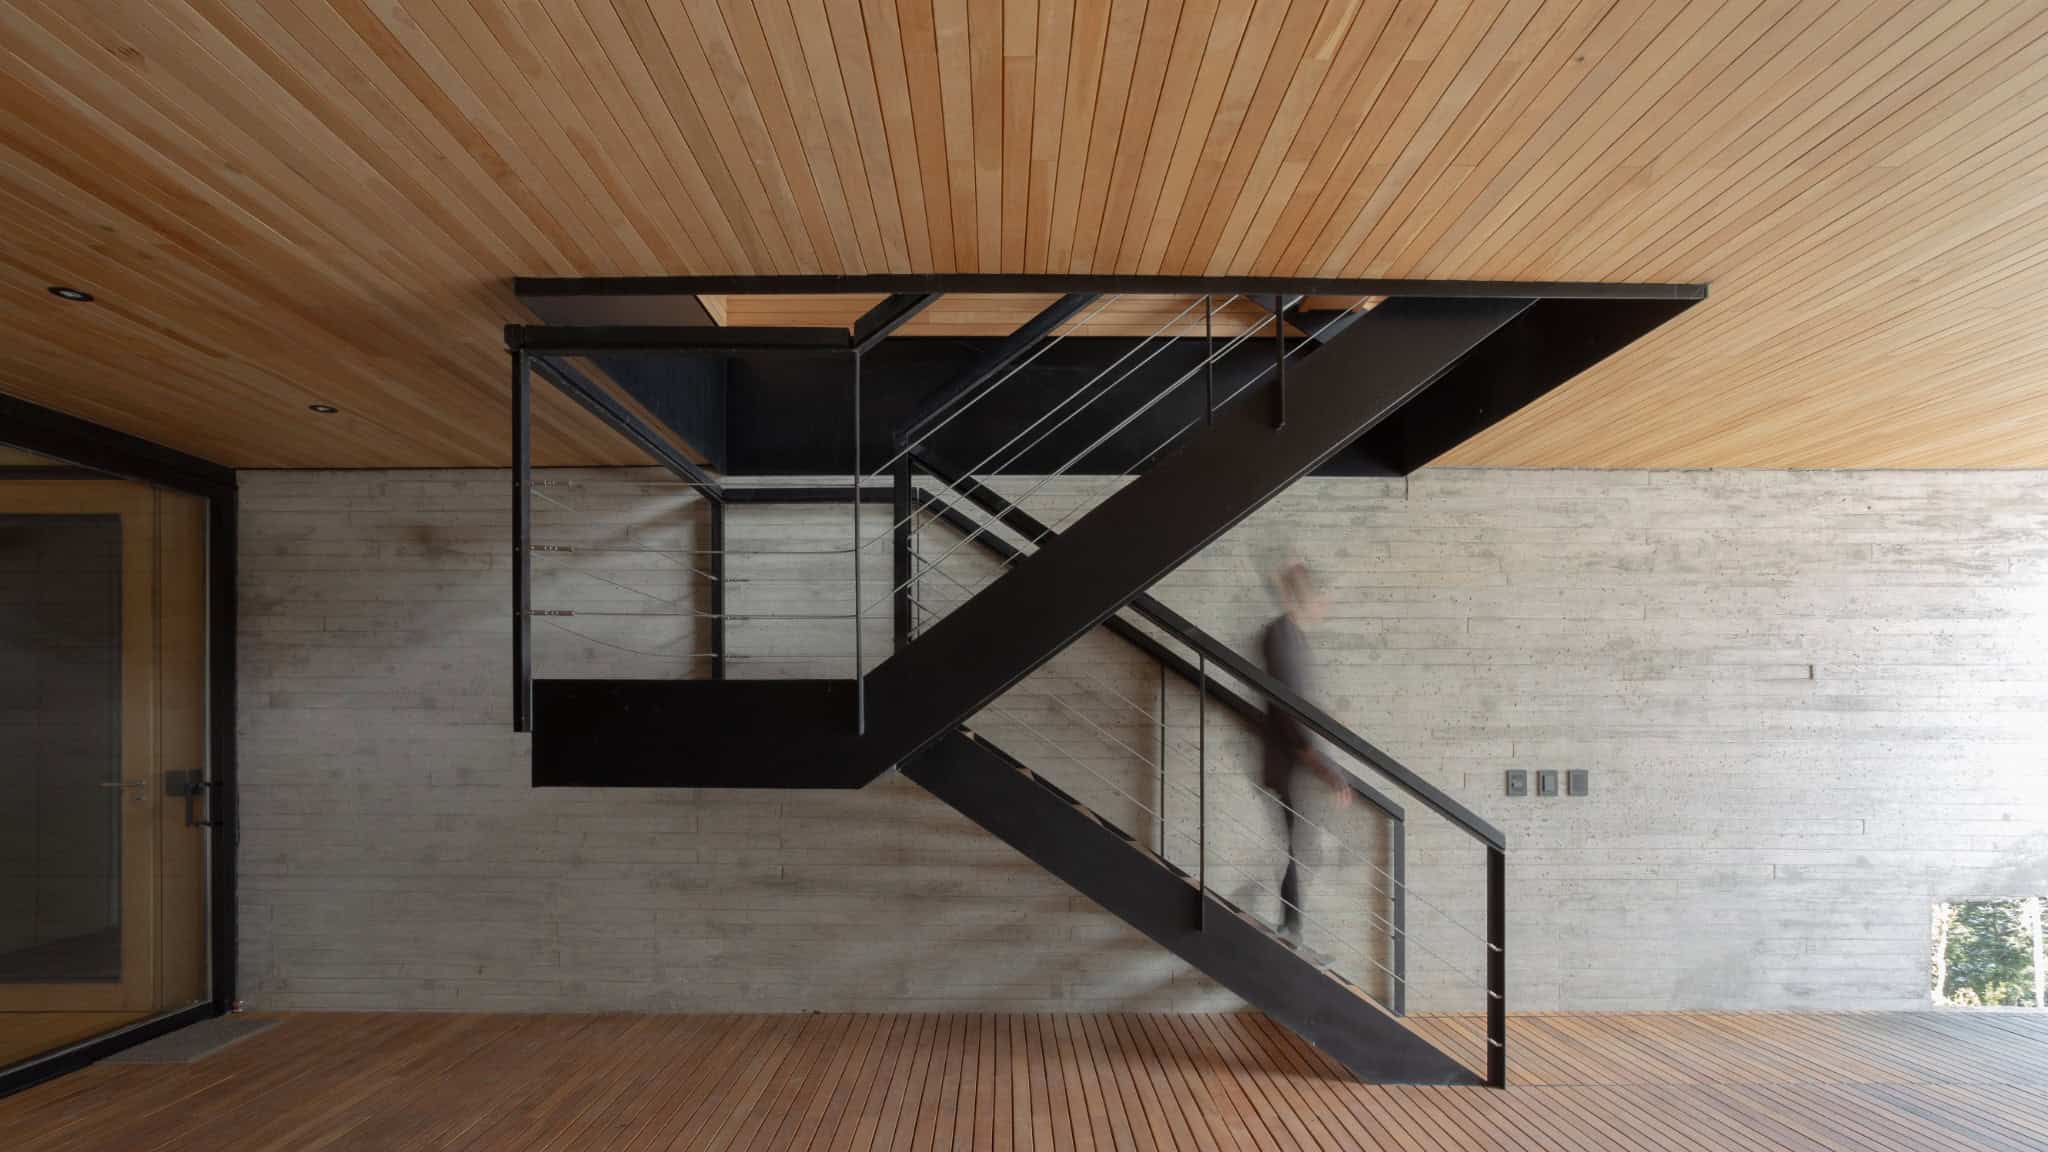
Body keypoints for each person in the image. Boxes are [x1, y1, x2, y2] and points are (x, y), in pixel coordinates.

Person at [1261, 560, 1351, 945]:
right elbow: (1290, 709)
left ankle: (1290, 926)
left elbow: (1299, 706)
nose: (1324, 605)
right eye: (1320, 597)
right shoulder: (1282, 635)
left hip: (1295, 761)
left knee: (1301, 847)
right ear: (1305, 597)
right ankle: (1289, 927)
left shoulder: (1292, 636)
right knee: (1302, 847)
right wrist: (1326, 769)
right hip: (1291, 763)